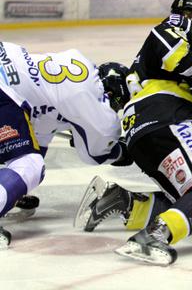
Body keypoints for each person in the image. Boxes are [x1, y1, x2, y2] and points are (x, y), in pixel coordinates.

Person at [75, 0, 192, 266]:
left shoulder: (183, 44)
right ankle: (154, 236)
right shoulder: (172, 29)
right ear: (189, 15)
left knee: (188, 202)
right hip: (168, 119)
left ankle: (121, 201)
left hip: (144, 132)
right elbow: (177, 57)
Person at [0, 42, 131, 249]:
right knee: (29, 166)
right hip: (3, 87)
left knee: (27, 159)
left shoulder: (67, 75)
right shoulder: (94, 97)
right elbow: (95, 153)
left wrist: (14, 189)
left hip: (5, 65)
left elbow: (35, 141)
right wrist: (122, 152)